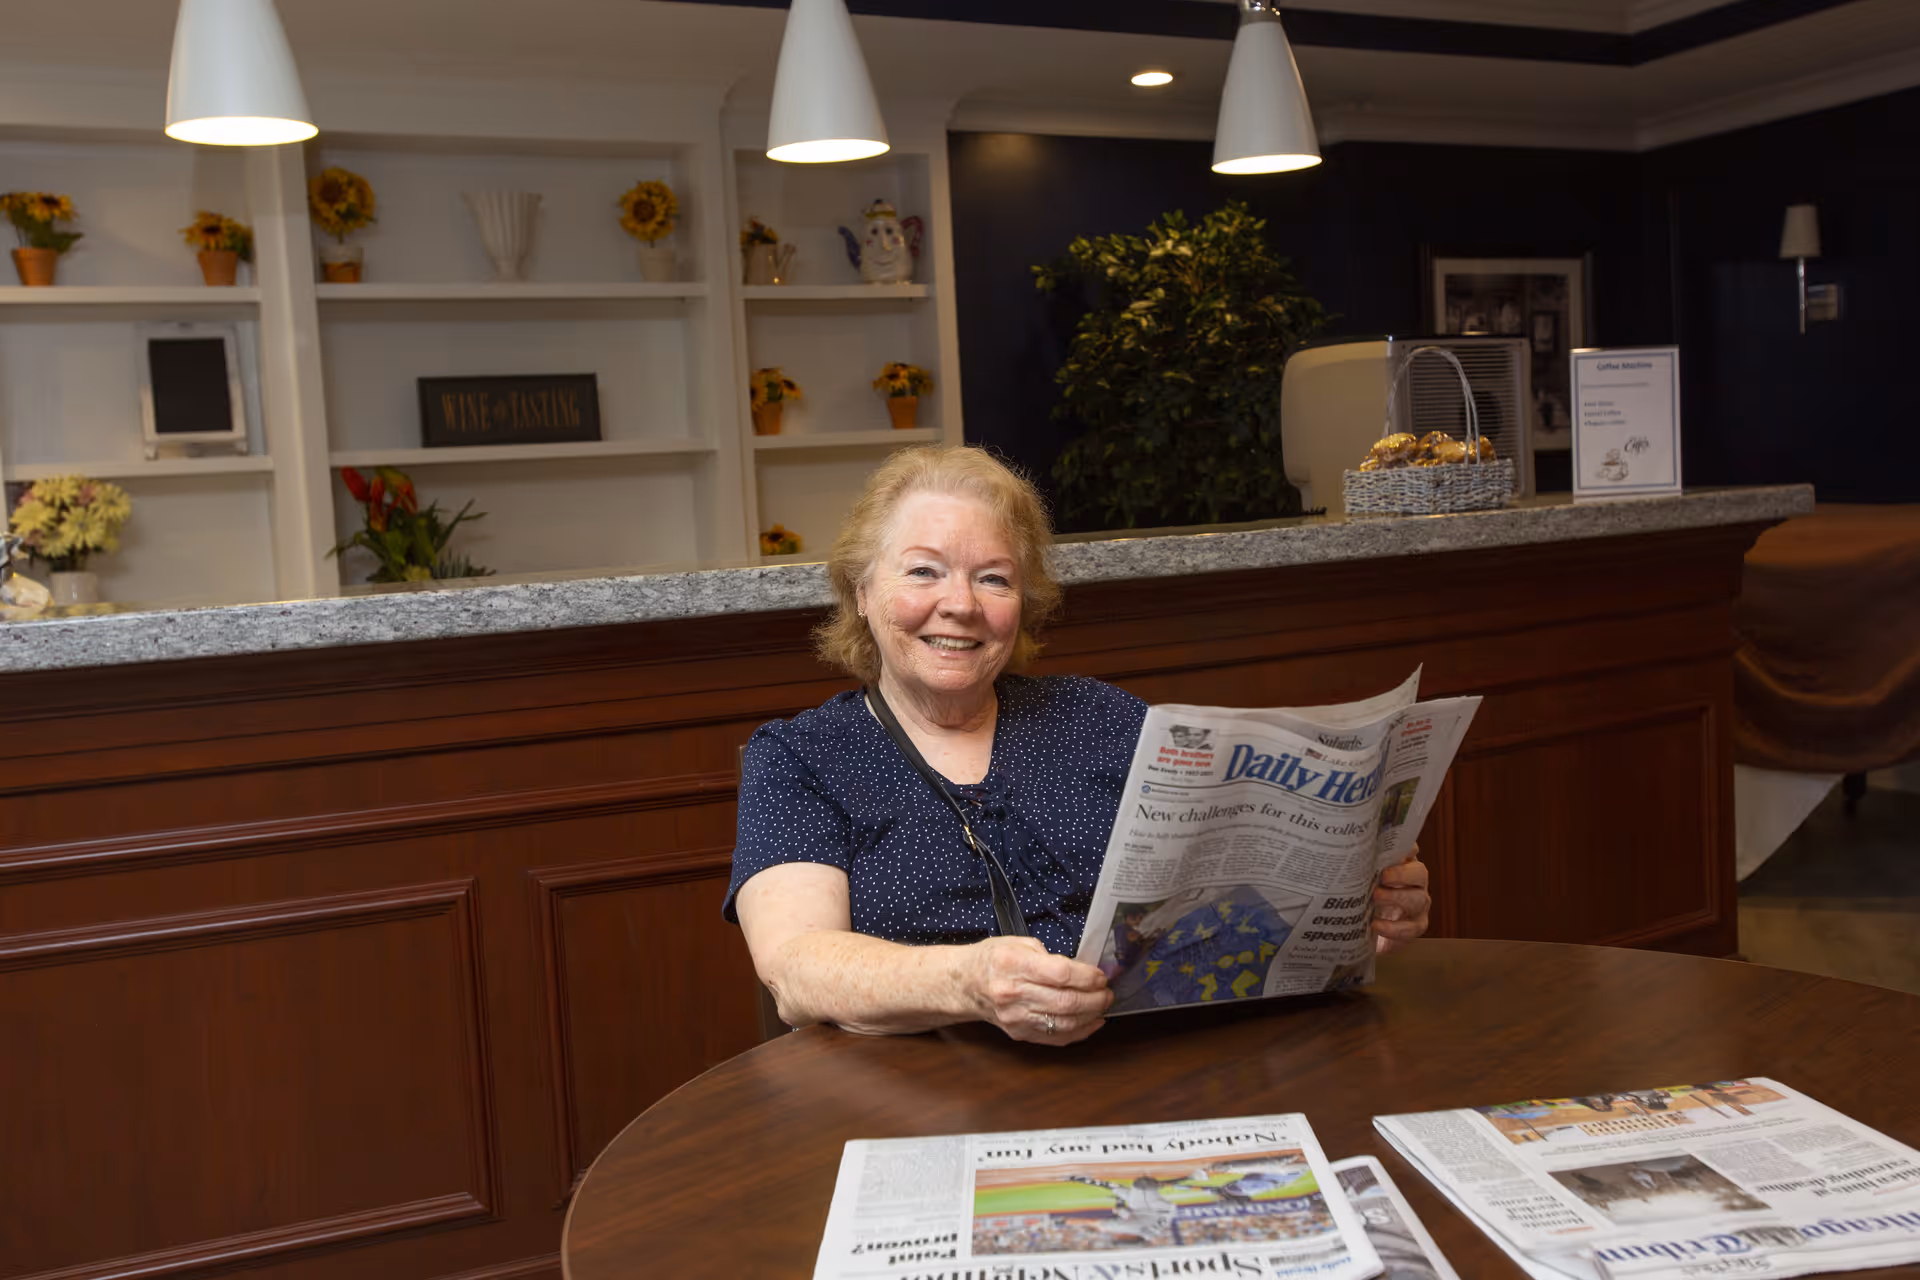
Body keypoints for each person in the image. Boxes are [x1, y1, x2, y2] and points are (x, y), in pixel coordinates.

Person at [725, 446, 1431, 1045]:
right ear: (861, 589)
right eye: (924, 571)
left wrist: (1359, 925)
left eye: (993, 578)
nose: (962, 605)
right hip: (917, 1090)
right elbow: (797, 969)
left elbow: (1217, 933)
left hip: (1142, 1069)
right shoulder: (800, 756)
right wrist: (968, 982)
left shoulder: (1100, 717)